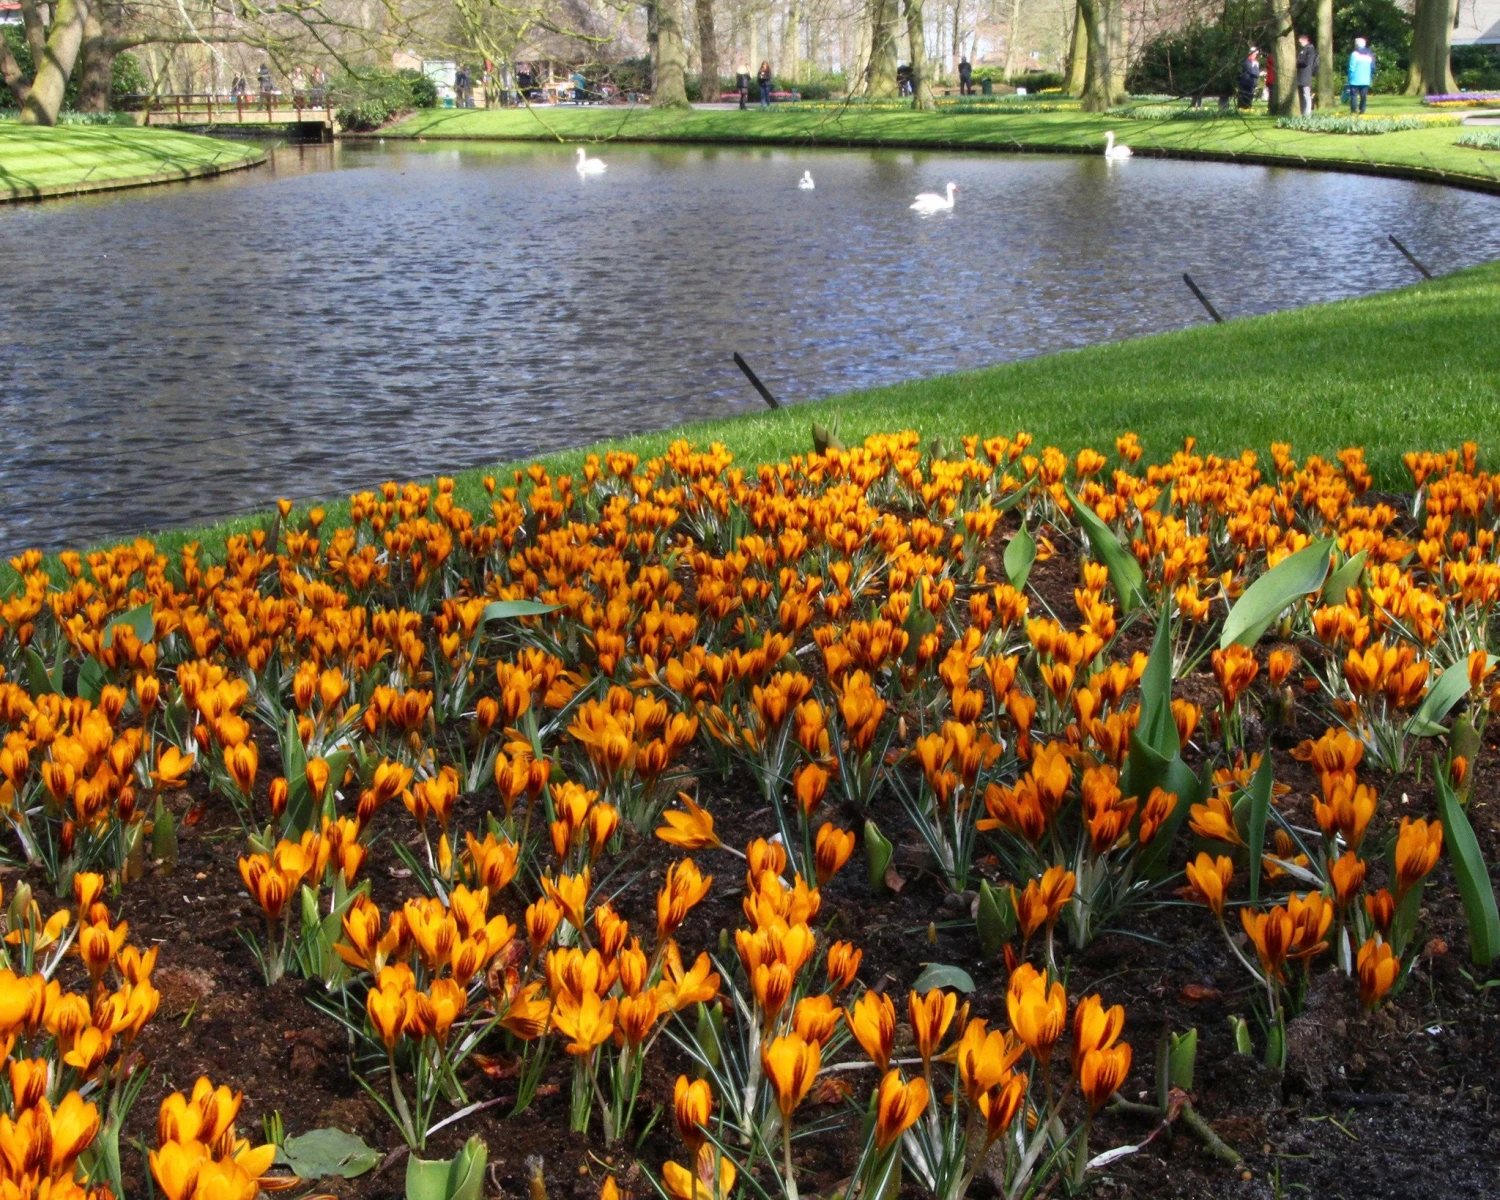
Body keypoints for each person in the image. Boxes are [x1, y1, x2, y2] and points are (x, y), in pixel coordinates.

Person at [1347, 37, 1375, 113]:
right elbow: (1372, 67)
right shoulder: (1370, 54)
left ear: (1356, 45)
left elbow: (1351, 67)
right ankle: (1362, 110)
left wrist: (1349, 77)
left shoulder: (1354, 54)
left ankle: (1353, 111)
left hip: (1355, 79)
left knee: (1353, 95)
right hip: (1365, 79)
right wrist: (1370, 76)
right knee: (1363, 96)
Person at [1295, 34, 1318, 114]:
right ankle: (1303, 111)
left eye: (1300, 41)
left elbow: (1307, 62)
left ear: (1304, 40)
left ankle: (1307, 113)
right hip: (1300, 75)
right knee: (1301, 94)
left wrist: (1296, 62)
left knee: (1306, 94)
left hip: (1305, 75)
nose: (1299, 42)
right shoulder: (1303, 49)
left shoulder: (1310, 50)